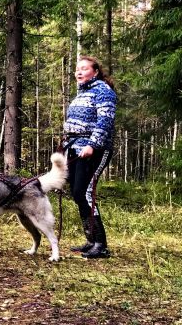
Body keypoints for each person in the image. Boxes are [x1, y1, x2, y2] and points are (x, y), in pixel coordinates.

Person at [63, 55, 116, 259]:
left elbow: (105, 121)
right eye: (77, 69)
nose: (79, 72)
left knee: (85, 193)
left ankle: (100, 244)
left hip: (96, 150)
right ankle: (91, 240)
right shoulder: (82, 92)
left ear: (95, 72)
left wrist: (92, 145)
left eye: (84, 68)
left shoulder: (103, 91)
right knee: (77, 193)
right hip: (76, 148)